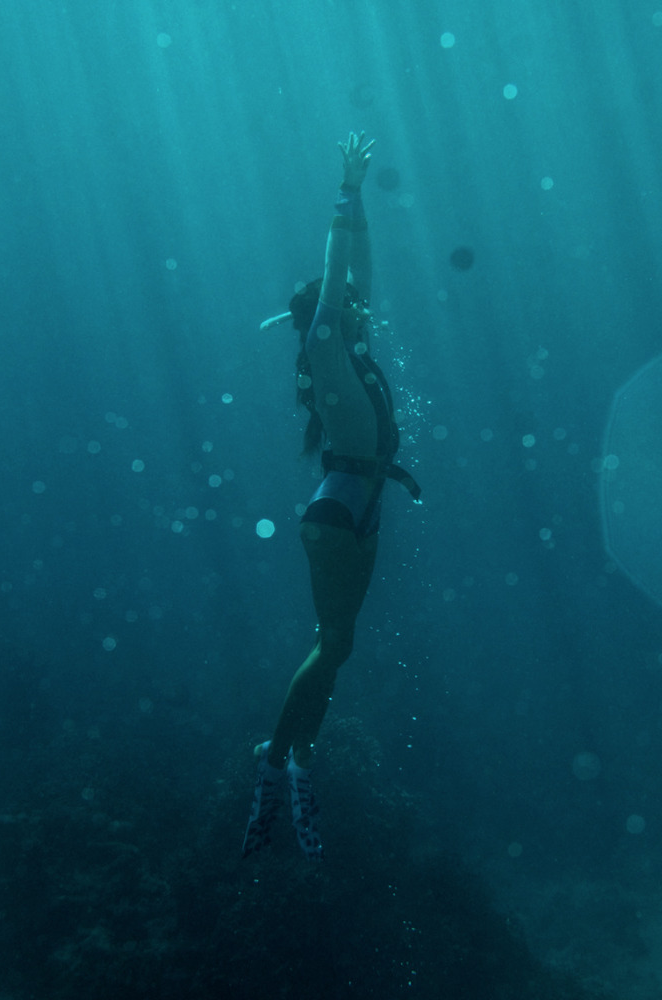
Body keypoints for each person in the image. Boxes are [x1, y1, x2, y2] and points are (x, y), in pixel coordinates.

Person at [242, 131, 420, 861]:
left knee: (338, 646)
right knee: (331, 643)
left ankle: (300, 761)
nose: (357, 302)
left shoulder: (354, 339)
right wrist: (345, 187)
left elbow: (359, 263)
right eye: (344, 299)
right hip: (336, 511)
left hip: (363, 506)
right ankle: (272, 761)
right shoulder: (325, 343)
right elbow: (339, 265)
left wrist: (364, 199)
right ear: (326, 310)